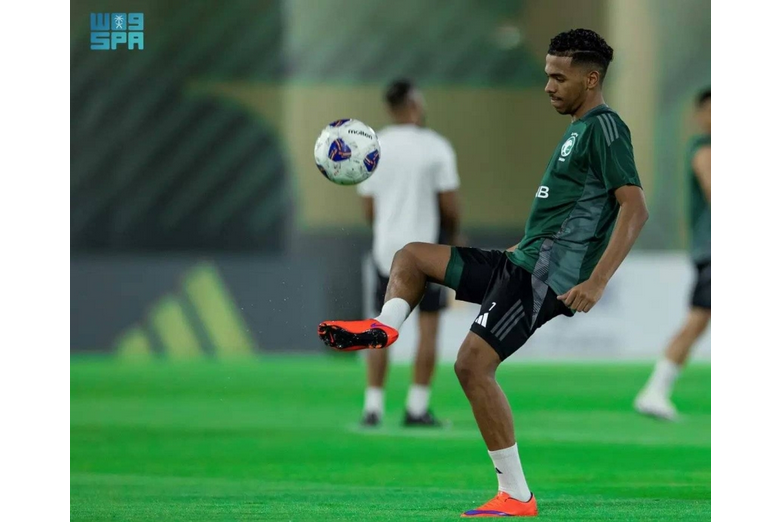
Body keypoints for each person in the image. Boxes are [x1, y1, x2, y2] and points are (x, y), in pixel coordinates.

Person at [319, 28, 649, 517]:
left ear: (591, 79)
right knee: (411, 256)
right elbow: (564, 214)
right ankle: (385, 327)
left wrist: (597, 280)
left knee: (472, 365)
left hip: (542, 278)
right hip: (520, 261)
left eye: (559, 78)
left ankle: (516, 495)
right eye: (547, 75)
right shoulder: (579, 128)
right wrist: (517, 249)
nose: (548, 86)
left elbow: (634, 208)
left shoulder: (606, 128)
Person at [356, 79, 462, 427]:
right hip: (426, 251)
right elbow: (449, 207)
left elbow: (368, 209)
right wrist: (454, 238)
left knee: (380, 325)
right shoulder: (435, 147)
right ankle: (417, 407)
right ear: (416, 103)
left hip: (385, 250)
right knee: (428, 329)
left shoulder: (374, 147)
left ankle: (372, 407)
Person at [634, 89, 711, 421]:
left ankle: (656, 389)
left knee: (699, 320)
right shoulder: (704, 149)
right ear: (700, 115)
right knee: (697, 319)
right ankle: (655, 390)